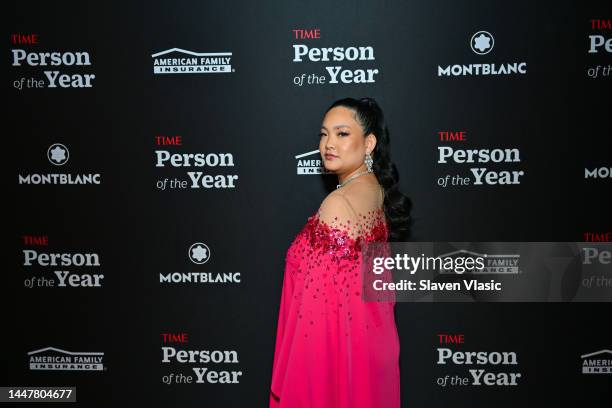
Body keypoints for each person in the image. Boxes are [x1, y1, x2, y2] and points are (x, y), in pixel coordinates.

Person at [269, 97, 412, 408]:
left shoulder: (337, 203)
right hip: (373, 347)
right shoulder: (376, 189)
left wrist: (300, 384)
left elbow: (317, 317)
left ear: (369, 143)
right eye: (324, 134)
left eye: (342, 133)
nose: (328, 144)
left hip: (338, 359)